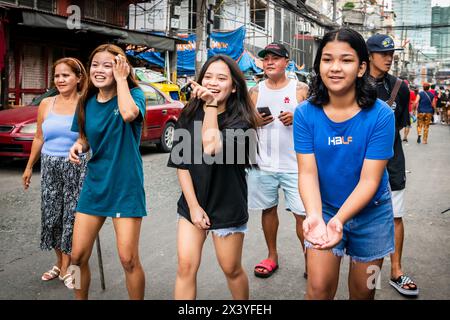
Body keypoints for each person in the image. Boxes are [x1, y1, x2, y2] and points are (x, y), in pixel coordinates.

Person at [294, 28, 395, 300]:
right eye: (327, 60)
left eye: (346, 60)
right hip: (324, 207)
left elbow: (370, 180)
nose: (335, 68)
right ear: (319, 66)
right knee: (317, 289)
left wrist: (340, 220)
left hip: (372, 214)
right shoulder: (304, 113)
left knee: (364, 293)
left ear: (362, 68)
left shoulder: (382, 115)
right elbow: (306, 172)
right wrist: (314, 215)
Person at [167, 54, 259, 300]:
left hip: (228, 204)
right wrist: (194, 207)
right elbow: (182, 165)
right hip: (192, 203)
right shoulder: (188, 114)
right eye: (208, 76)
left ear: (234, 86)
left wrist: (209, 106)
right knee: (185, 267)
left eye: (221, 78)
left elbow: (211, 146)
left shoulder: (242, 122)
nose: (213, 82)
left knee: (231, 269)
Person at [68, 44, 147, 300]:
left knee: (128, 259)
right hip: (95, 186)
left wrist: (122, 81)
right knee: (76, 257)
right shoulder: (86, 103)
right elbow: (86, 138)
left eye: (108, 65)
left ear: (121, 69)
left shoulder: (135, 95)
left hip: (125, 187)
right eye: (95, 64)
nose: (99, 70)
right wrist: (78, 145)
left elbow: (127, 114)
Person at [22, 57, 88, 290]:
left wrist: (81, 144)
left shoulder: (85, 103)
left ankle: (72, 269)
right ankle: (60, 264)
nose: (60, 80)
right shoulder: (46, 104)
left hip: (75, 166)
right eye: (57, 76)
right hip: (50, 166)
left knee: (72, 219)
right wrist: (30, 166)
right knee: (51, 217)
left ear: (78, 78)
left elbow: (88, 137)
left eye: (66, 75)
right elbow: (39, 137)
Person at [247, 42, 309, 279]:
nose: (269, 62)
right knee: (268, 209)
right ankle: (271, 256)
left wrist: (297, 118)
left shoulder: (300, 89)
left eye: (275, 58)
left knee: (302, 215)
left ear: (287, 62)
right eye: (265, 59)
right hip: (264, 163)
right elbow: (245, 121)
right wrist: (255, 121)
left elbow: (317, 120)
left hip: (296, 165)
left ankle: (309, 259)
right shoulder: (255, 90)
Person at [366, 34, 419, 296]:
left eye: (391, 53)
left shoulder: (400, 86)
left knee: (395, 217)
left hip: (392, 162)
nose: (389, 57)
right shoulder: (353, 84)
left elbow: (398, 125)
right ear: (368, 56)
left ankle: (396, 270)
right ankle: (362, 274)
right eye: (382, 53)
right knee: (358, 217)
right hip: (358, 164)